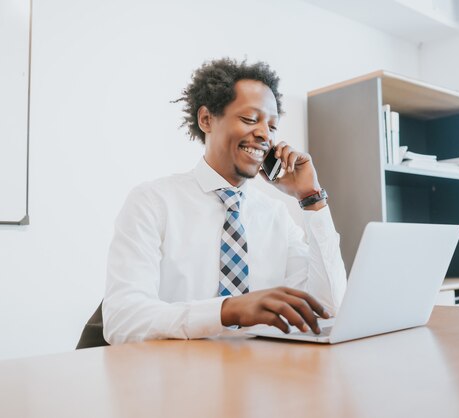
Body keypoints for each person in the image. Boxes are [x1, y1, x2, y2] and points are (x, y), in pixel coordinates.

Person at [102, 58, 347, 344]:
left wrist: (311, 199)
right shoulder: (152, 202)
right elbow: (123, 321)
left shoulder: (275, 215)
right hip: (177, 377)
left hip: (263, 376)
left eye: (272, 126)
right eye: (250, 119)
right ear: (206, 119)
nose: (264, 135)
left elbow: (328, 309)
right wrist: (228, 311)